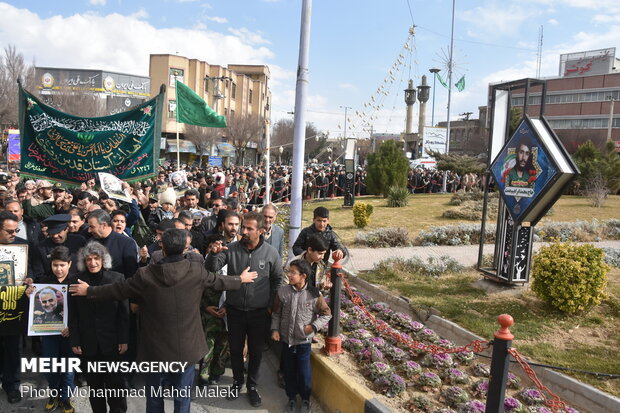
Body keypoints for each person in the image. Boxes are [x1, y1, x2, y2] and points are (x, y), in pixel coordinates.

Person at [70, 228, 257, 413]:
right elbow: (219, 281)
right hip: (187, 348)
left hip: (155, 350)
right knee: (182, 398)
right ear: (185, 248)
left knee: (154, 397)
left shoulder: (145, 274)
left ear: (163, 249)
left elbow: (118, 290)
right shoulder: (196, 271)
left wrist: (90, 291)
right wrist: (240, 279)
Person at [205, 211, 283, 407]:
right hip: (235, 311)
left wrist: (269, 306)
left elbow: (277, 280)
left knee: (256, 352)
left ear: (261, 231)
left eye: (249, 228)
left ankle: (253, 386)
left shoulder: (271, 253)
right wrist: (213, 254)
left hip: (259, 314)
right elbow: (212, 268)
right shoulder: (230, 249)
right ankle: (237, 382)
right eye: (243, 227)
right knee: (236, 349)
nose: (244, 232)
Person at [69, 242, 129, 413]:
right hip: (88, 343)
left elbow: (123, 313)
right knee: (95, 388)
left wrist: (124, 339)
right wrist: (75, 339)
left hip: (112, 342)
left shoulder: (117, 279)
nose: (92, 263)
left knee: (116, 386)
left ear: (104, 260)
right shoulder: (75, 280)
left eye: (96, 258)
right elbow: (72, 314)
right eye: (89, 259)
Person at [271, 259, 331, 413]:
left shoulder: (314, 294)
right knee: (289, 371)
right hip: (286, 341)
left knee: (304, 373)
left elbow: (326, 314)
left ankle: (305, 399)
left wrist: (313, 326)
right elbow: (276, 313)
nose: (289, 275)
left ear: (303, 276)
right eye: (289, 271)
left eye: (293, 272)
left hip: (304, 342)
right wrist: (275, 330)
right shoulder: (283, 292)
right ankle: (291, 399)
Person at [40, 246, 76, 413]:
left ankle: (66, 397)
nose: (59, 269)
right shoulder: (44, 282)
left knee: (68, 369)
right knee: (50, 366)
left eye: (62, 265)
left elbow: (81, 311)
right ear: (51, 265)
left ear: (69, 264)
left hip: (69, 334)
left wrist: (72, 327)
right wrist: (30, 293)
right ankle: (54, 394)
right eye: (55, 265)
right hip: (48, 334)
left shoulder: (76, 283)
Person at [0, 211, 28, 403]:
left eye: (15, 230)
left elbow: (31, 269)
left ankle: (12, 385)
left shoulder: (22, 245)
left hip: (13, 307)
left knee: (12, 349)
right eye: (9, 231)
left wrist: (30, 279)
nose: (13, 234)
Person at [30, 214, 87, 281]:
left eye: (58, 232)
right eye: (52, 233)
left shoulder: (79, 242)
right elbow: (39, 273)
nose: (55, 236)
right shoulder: (41, 247)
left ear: (67, 229)